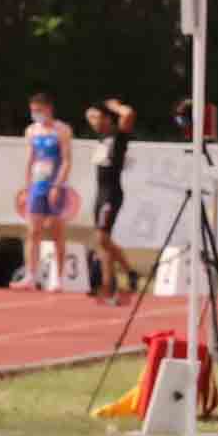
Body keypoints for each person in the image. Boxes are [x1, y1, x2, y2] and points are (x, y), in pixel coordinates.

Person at [19, 92, 76, 292]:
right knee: (33, 231)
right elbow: (30, 159)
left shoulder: (62, 130)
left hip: (55, 185)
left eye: (39, 111)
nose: (36, 114)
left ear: (49, 109)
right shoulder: (32, 131)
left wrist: (57, 186)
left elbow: (67, 161)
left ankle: (58, 278)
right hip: (37, 184)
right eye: (33, 111)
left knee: (56, 231)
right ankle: (30, 275)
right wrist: (27, 188)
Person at [88, 97, 135, 294]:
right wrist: (96, 111)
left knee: (102, 238)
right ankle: (112, 281)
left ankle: (120, 276)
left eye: (99, 118)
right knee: (102, 241)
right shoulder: (102, 137)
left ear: (108, 119)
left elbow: (128, 114)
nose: (94, 121)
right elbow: (88, 113)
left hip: (111, 193)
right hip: (100, 193)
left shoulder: (118, 136)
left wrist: (113, 106)